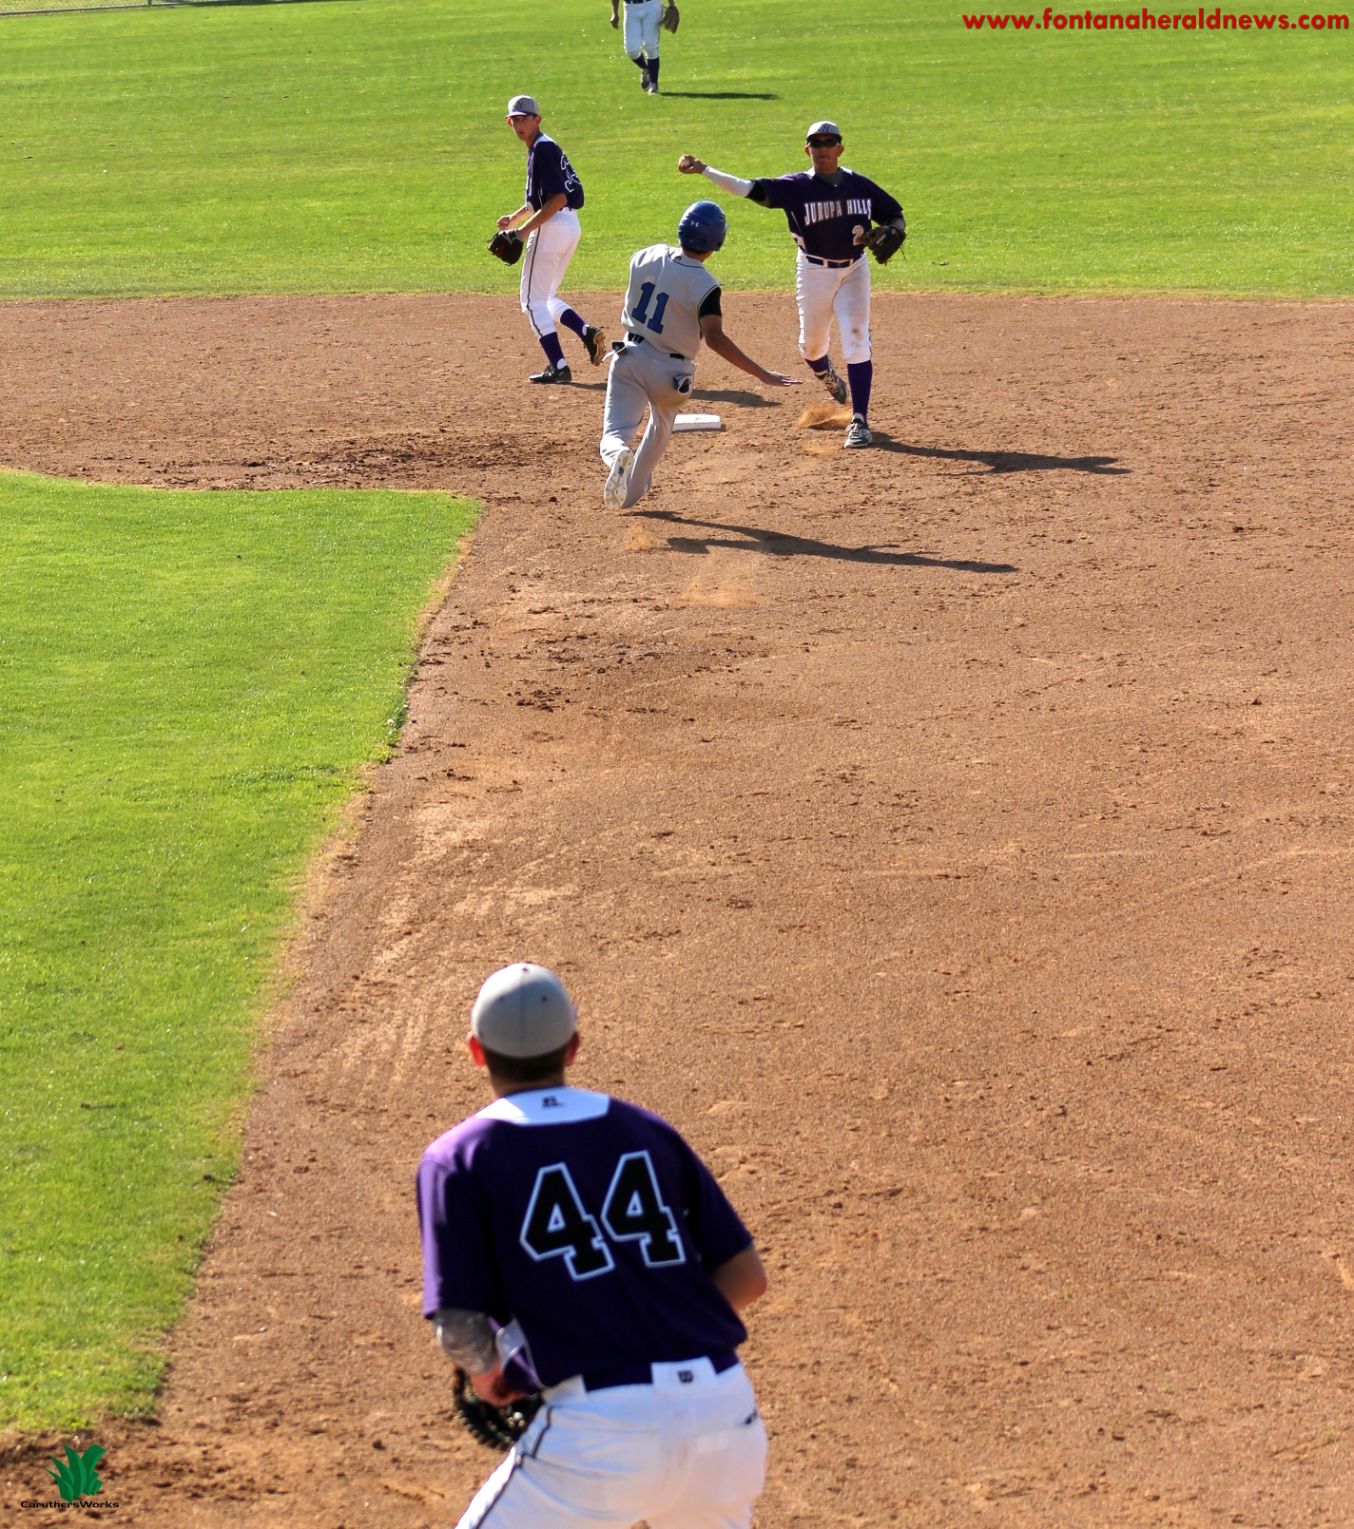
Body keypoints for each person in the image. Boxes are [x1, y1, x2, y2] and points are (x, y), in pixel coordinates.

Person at [416, 962, 770, 1527]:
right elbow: (748, 1277)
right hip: (723, 1415)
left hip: (599, 1437)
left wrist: (494, 1379)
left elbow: (459, 1324)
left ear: (476, 1052)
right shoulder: (649, 1131)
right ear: (573, 1047)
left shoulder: (458, 1158)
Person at [678, 121, 907, 448]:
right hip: (813, 271)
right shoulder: (796, 187)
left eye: (830, 142)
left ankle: (859, 420)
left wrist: (893, 229)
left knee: (857, 340)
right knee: (811, 347)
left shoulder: (860, 185)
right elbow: (746, 188)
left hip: (854, 269)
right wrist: (704, 170)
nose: (823, 147)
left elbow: (895, 215)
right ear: (807, 149)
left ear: (840, 148)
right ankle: (826, 373)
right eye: (816, 142)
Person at [600, 200, 799, 510]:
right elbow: (715, 339)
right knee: (660, 427)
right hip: (671, 374)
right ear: (716, 242)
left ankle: (617, 458)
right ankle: (630, 492)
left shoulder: (645, 254)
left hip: (629, 356)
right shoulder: (706, 285)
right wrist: (762, 373)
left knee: (614, 434)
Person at [497, 95, 608, 384]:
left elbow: (556, 199)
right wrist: (515, 218)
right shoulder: (544, 146)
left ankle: (558, 366)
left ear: (538, 119)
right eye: (514, 120)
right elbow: (543, 198)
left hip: (553, 226)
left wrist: (521, 234)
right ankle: (586, 332)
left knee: (531, 301)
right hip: (570, 226)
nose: (519, 124)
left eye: (524, 118)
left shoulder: (541, 151)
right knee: (546, 298)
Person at [609, 0, 664, 94]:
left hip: (652, 5)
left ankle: (654, 84)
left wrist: (672, 4)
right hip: (630, 8)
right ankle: (645, 68)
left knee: (651, 46)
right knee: (631, 49)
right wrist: (615, 13)